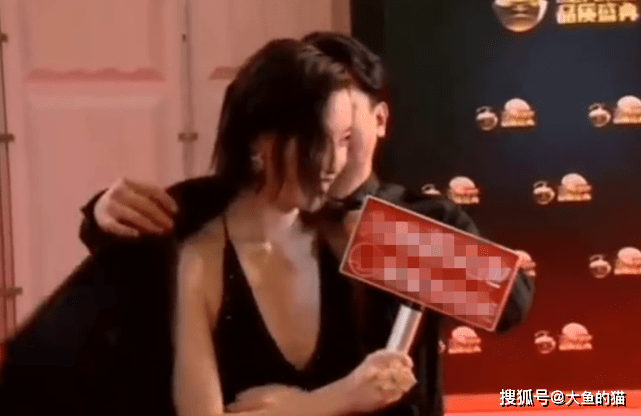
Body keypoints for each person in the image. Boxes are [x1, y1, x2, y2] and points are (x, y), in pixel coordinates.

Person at [75, 32, 535, 416]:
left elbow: (510, 303)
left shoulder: (420, 217)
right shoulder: (220, 207)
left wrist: (389, 242)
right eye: (312, 127)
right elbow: (131, 244)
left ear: (378, 120)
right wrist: (101, 212)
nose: (330, 157)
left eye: (343, 132)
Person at [0, 39, 417, 416]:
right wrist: (330, 400)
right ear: (262, 143)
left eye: (344, 139)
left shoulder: (357, 230)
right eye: (317, 140)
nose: (334, 162)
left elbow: (460, 278)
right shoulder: (200, 246)